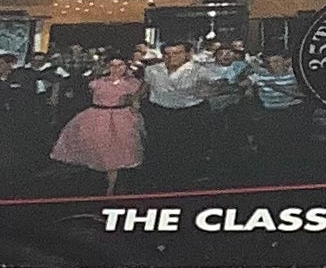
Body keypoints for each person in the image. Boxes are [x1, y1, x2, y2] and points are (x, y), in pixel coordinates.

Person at [49, 54, 145, 195]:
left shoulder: (132, 83)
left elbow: (138, 98)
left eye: (120, 65)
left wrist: (134, 103)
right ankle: (98, 184)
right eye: (112, 66)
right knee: (98, 148)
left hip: (121, 118)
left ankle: (113, 186)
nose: (116, 69)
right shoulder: (97, 82)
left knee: (118, 151)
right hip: (98, 117)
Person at [139, 40, 212, 187]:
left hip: (188, 114)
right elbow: (145, 87)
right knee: (160, 148)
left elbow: (207, 88)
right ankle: (161, 182)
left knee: (187, 149)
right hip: (161, 113)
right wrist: (135, 100)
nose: (171, 57)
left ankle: (186, 181)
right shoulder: (152, 69)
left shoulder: (199, 70)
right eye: (167, 54)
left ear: (187, 54)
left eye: (177, 53)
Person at [0, 53, 49, 167]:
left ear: (10, 64)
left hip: (25, 117)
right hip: (0, 119)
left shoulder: (24, 76)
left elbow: (36, 92)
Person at [245, 51, 310, 171]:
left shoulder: (295, 75)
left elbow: (303, 93)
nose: (272, 65)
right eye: (268, 62)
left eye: (276, 61)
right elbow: (244, 84)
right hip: (269, 113)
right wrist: (247, 87)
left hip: (290, 112)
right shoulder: (260, 75)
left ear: (284, 62)